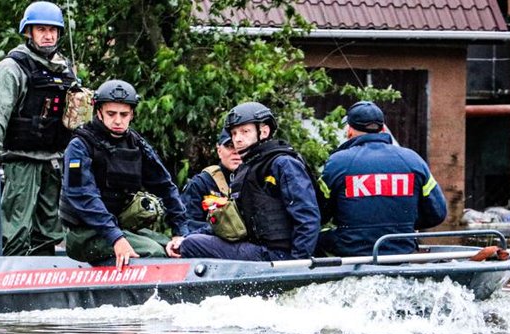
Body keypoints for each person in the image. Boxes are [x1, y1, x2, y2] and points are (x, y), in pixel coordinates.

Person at [0, 1, 78, 256]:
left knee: (50, 231)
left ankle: (43, 279)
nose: (48, 35)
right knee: (17, 231)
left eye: (53, 30)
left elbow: (77, 123)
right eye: (41, 29)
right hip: (20, 162)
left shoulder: (65, 72)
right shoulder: (11, 69)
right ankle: (8, 281)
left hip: (53, 162)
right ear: (28, 32)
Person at [59, 79, 190, 269]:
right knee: (154, 253)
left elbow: (164, 186)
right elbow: (83, 196)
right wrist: (116, 238)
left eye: (124, 114)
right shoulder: (81, 145)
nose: (118, 121)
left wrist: (180, 232)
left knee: (173, 249)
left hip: (120, 227)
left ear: (132, 114)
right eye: (111, 114)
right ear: (99, 112)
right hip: (85, 233)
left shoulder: (135, 143)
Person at [179, 102, 321, 261]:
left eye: (245, 131)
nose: (237, 139)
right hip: (258, 249)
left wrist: (297, 265)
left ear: (264, 131)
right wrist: (186, 237)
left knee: (191, 245)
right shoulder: (246, 170)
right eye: (234, 133)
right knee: (190, 241)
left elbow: (307, 219)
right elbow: (233, 222)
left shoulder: (282, 164)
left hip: (280, 256)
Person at [318, 101, 447, 257]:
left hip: (350, 251)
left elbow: (318, 213)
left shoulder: (337, 163)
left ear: (349, 131)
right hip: (401, 248)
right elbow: (437, 213)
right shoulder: (413, 160)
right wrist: (404, 225)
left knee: (314, 238)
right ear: (384, 128)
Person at [180, 127, 242, 235]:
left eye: (240, 147)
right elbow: (188, 224)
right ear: (219, 151)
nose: (236, 152)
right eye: (230, 146)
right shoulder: (201, 183)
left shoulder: (257, 180)